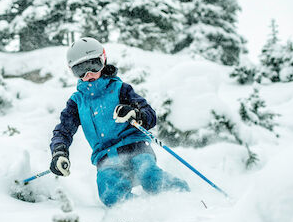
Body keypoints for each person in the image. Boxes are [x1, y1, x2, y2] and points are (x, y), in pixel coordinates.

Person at [49, 37, 189, 207]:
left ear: (103, 60)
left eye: (93, 66)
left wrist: (134, 113)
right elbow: (63, 131)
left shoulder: (121, 89)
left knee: (149, 176)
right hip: (106, 158)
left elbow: (150, 116)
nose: (89, 75)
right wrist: (59, 152)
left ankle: (184, 198)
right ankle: (141, 214)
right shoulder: (77, 102)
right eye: (81, 70)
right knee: (109, 192)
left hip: (135, 147)